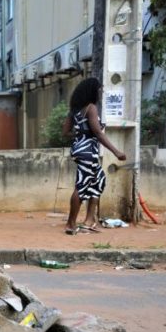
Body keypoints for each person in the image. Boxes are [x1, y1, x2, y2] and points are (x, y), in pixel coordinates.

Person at [62, 77, 126, 235]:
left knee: (99, 181)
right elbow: (98, 133)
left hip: (79, 150)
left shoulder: (75, 111)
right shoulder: (91, 108)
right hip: (88, 152)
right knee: (82, 186)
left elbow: (65, 132)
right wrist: (116, 151)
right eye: (98, 90)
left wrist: (80, 132)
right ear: (91, 91)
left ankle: (89, 221)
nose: (100, 93)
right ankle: (70, 224)